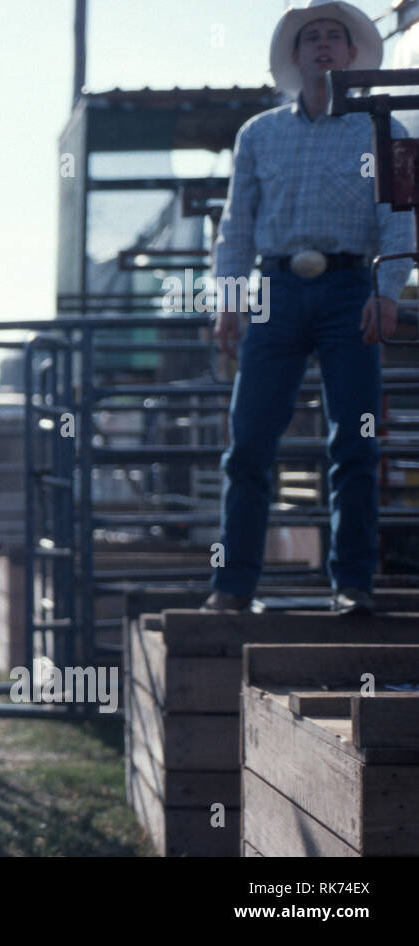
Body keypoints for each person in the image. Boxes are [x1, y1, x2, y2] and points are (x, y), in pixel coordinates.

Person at [206, 0, 414, 617]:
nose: (323, 47)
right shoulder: (258, 134)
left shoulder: (386, 129)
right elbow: (234, 226)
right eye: (311, 38)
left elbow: (400, 217)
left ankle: (352, 585)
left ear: (351, 53)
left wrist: (389, 290)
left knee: (354, 440)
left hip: (353, 287)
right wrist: (229, 299)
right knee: (249, 442)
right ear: (295, 57)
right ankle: (234, 586)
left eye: (334, 37)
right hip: (274, 290)